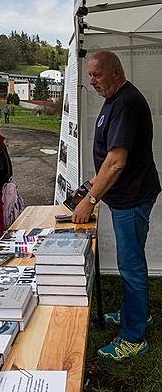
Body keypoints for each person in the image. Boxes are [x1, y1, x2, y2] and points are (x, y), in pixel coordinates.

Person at [72, 51, 161, 361]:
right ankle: (136, 314)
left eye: (96, 75)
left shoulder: (125, 102)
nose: (92, 81)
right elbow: (108, 156)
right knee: (131, 260)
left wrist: (91, 199)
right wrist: (91, 187)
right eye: (90, 76)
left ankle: (134, 337)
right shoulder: (115, 99)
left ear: (115, 72)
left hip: (133, 198)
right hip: (128, 196)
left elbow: (116, 161)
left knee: (131, 265)